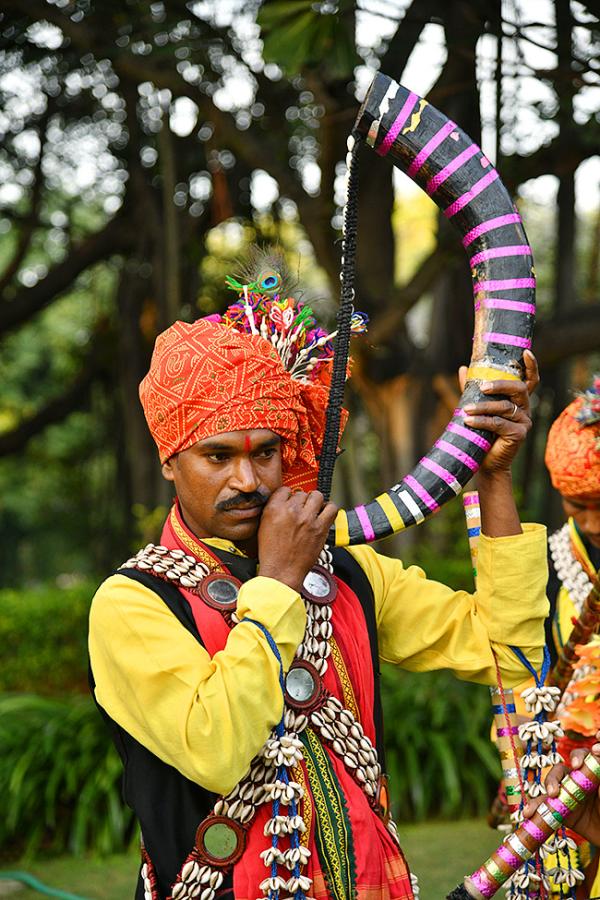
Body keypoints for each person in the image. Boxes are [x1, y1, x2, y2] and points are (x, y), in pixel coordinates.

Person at [88, 257, 549, 900]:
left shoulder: (350, 573)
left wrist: (493, 479)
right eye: (218, 456)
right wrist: (277, 579)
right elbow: (218, 749)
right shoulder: (132, 603)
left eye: (265, 452)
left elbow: (512, 654)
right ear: (170, 461)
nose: (247, 481)